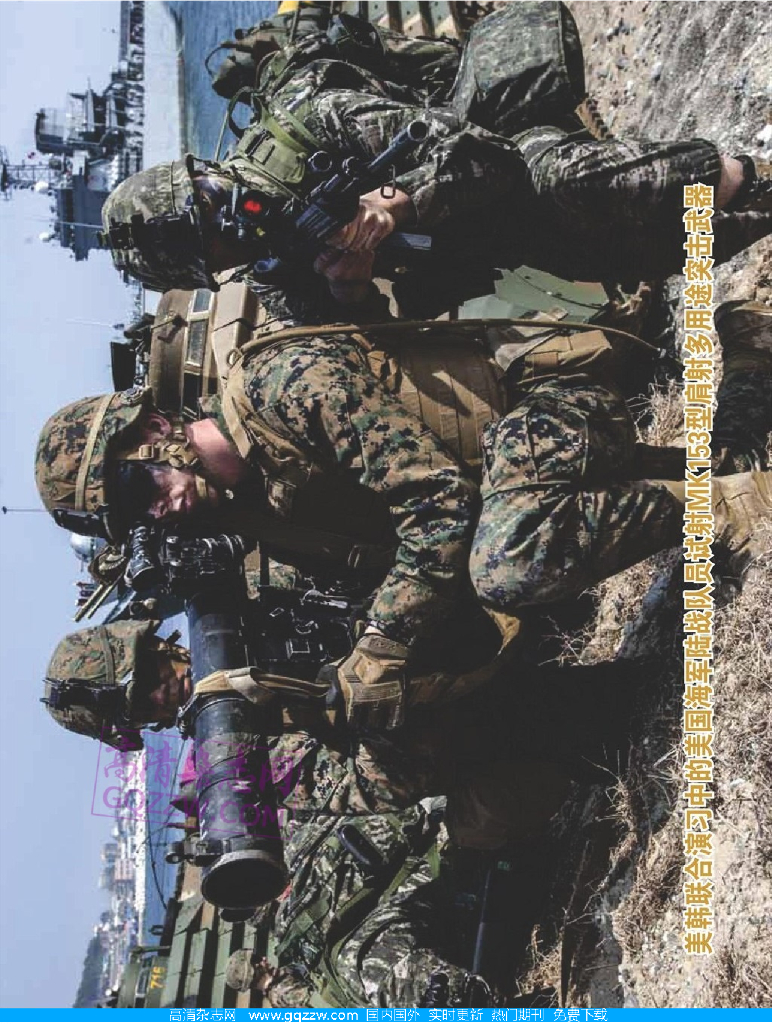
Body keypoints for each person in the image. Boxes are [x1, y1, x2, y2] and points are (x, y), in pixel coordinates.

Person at [35, 292, 772, 730]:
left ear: (154, 429)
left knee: (506, 565)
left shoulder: (278, 387)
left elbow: (440, 507)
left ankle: (726, 507)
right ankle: (747, 362)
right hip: (511, 474)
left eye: (138, 489)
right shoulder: (257, 508)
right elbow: (389, 563)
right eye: (136, 521)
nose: (156, 514)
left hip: (542, 407)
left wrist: (381, 646)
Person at [99, 4, 771, 316]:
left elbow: (485, 157)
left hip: (507, 157)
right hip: (491, 245)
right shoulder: (274, 273)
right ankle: (756, 217)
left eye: (218, 208)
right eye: (222, 252)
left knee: (573, 180)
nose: (242, 227)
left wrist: (396, 206)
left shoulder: (307, 121)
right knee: (656, 253)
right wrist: (350, 288)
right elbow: (366, 346)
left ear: (207, 174)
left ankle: (741, 172)